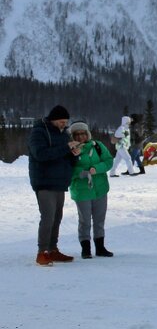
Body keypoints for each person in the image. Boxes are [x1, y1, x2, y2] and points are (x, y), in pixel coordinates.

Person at [28, 104, 80, 266]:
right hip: (44, 181)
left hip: (60, 181)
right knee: (48, 217)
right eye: (61, 121)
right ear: (53, 120)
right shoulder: (39, 132)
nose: (64, 124)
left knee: (57, 218)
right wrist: (66, 148)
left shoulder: (64, 134)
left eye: (65, 121)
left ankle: (53, 249)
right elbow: (40, 154)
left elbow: (65, 157)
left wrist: (74, 155)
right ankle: (42, 252)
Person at [68, 121, 115, 258]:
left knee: (99, 219)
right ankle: (86, 249)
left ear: (87, 134)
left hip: (100, 188)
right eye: (77, 134)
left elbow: (108, 161)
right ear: (73, 136)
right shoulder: (69, 150)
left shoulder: (97, 146)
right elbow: (66, 168)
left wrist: (97, 169)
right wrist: (82, 172)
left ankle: (100, 247)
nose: (81, 137)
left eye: (83, 133)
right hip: (81, 191)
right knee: (85, 221)